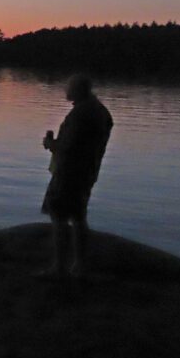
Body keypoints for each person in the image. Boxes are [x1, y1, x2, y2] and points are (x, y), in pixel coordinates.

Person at [39, 74, 113, 278]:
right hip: (87, 172)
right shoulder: (101, 112)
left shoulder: (81, 114)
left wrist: (50, 144)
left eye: (68, 87)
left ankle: (59, 267)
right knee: (79, 217)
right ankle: (79, 266)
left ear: (78, 90)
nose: (65, 90)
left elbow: (68, 148)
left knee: (59, 218)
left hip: (69, 174)